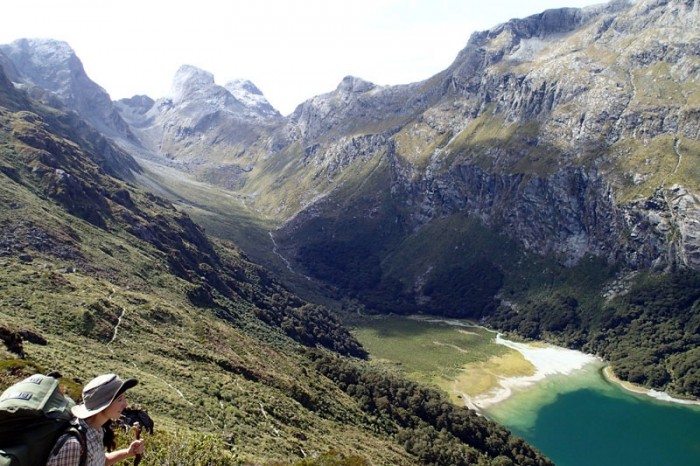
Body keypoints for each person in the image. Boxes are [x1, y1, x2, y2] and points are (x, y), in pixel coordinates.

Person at [47, 373, 145, 466]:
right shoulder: (73, 446)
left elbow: (99, 461)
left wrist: (128, 452)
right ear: (103, 405)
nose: (125, 404)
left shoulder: (96, 430)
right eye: (120, 399)